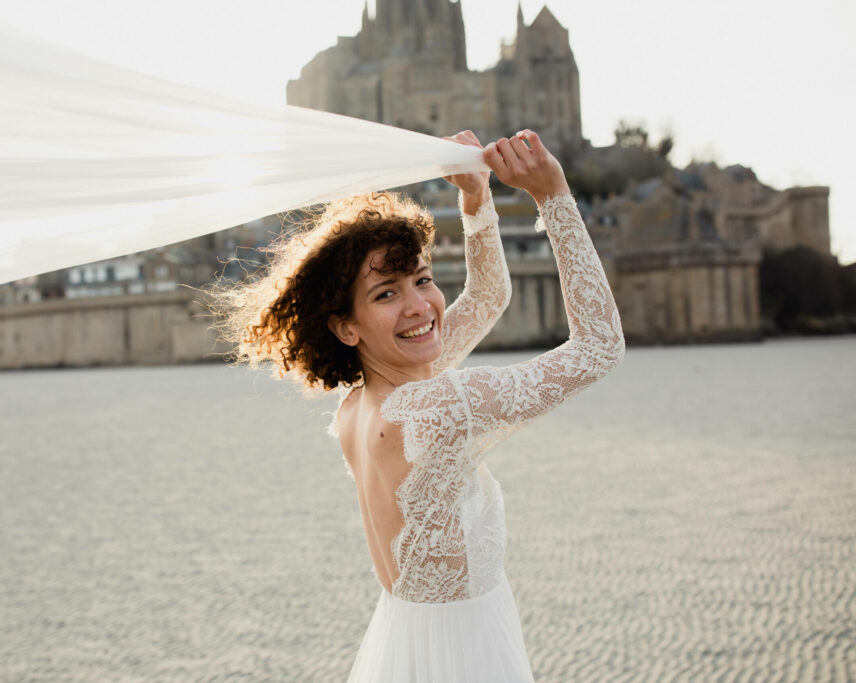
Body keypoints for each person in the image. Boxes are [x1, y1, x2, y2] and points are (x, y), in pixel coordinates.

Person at [214, 129, 625, 682]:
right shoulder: (435, 407)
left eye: (423, 280)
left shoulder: (365, 400)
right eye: (387, 293)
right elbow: (600, 347)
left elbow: (486, 298)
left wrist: (476, 200)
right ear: (345, 326)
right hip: (465, 653)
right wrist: (553, 196)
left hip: (409, 640)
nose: (420, 307)